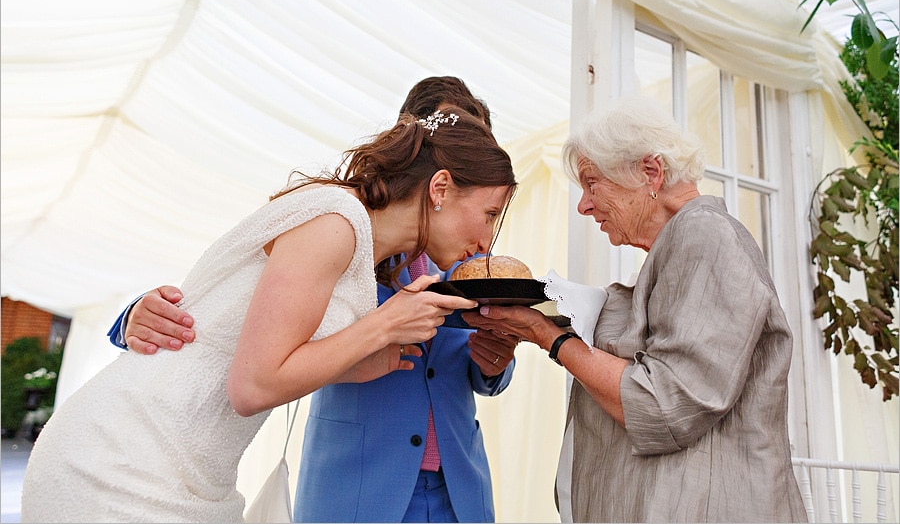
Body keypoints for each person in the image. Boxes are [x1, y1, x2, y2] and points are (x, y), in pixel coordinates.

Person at [21, 106, 517, 523]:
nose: (488, 238)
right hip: (124, 461)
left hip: (196, 474)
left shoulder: (365, 247)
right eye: (491, 212)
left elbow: (254, 339)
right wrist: (380, 327)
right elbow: (251, 388)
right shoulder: (335, 221)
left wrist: (355, 364)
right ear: (440, 188)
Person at [463, 95, 807, 522]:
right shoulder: (682, 245)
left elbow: (665, 404)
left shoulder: (706, 236)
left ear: (651, 172)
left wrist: (550, 337)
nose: (583, 205)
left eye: (593, 183)